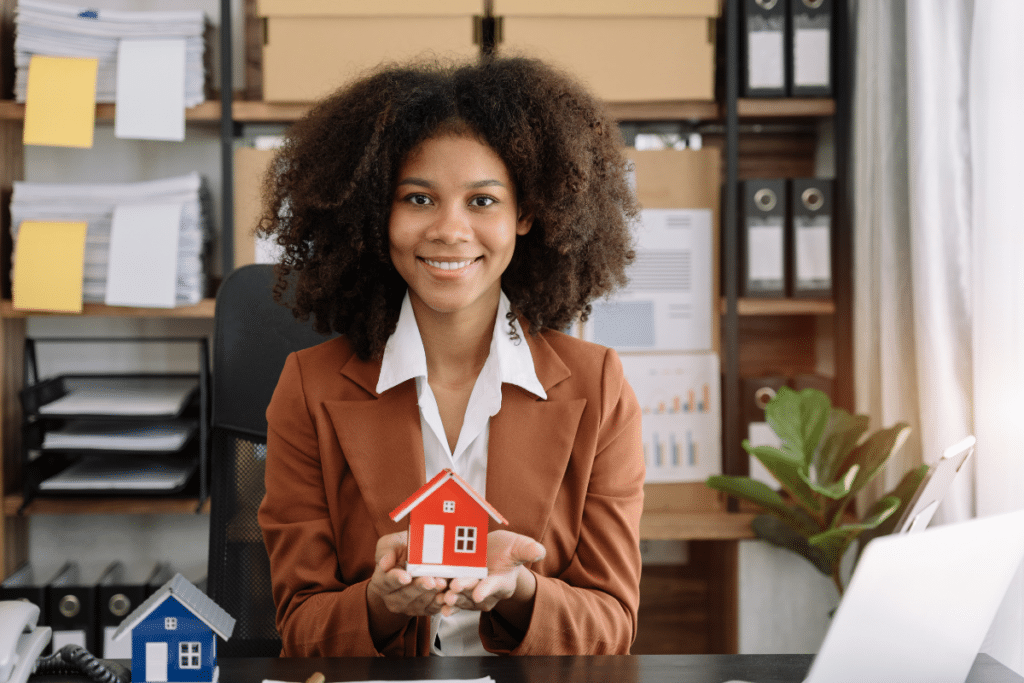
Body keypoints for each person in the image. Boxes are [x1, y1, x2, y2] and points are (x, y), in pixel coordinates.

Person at [255, 54, 645, 658]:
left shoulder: (598, 387)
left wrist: (518, 591)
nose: (449, 230)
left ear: (528, 214)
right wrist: (381, 601)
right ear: (374, 215)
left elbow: (612, 626)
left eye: (483, 201)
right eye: (418, 199)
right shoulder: (309, 387)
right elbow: (301, 631)